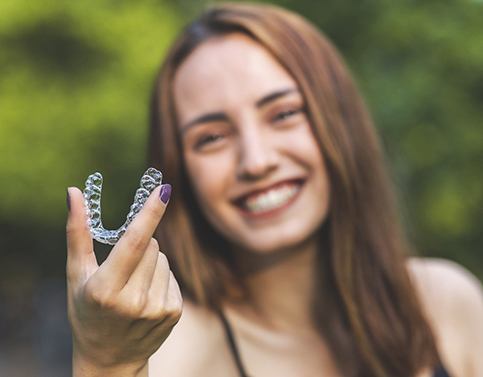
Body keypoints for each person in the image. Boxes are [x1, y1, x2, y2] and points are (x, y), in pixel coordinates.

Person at [65, 3, 483, 377]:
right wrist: (106, 365)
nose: (257, 160)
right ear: (180, 170)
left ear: (341, 122)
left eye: (283, 113)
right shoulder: (166, 352)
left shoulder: (445, 303)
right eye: (211, 137)